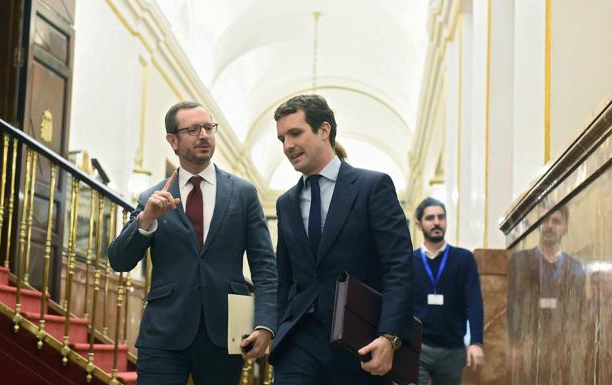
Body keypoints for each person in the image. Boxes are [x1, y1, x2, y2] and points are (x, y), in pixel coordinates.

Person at [108, 101, 277, 385]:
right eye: (193, 129)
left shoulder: (243, 193)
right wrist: (146, 220)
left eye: (209, 128)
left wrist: (265, 324)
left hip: (225, 333)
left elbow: (264, 266)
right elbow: (119, 260)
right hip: (164, 333)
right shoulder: (152, 197)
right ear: (172, 140)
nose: (204, 135)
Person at [269, 94, 414, 385]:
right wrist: (274, 329)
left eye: (295, 133)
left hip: (358, 340)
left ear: (324, 130)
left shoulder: (372, 187)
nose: (287, 146)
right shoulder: (286, 203)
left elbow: (399, 266)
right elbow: (283, 278)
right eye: (282, 138)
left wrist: (389, 336)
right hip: (299, 341)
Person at [507, 205, 589, 384]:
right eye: (544, 220)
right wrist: (513, 345)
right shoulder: (519, 262)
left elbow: (578, 313)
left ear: (565, 227)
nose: (549, 225)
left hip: (561, 350)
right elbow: (512, 306)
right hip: (526, 347)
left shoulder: (575, 268)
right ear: (537, 224)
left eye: (556, 221)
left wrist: (574, 349)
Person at [412, 197, 484, 385]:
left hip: (452, 349)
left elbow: (474, 302)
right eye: (430, 218)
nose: (436, 222)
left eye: (441, 217)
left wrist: (476, 342)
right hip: (417, 347)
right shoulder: (409, 261)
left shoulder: (464, 259)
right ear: (419, 224)